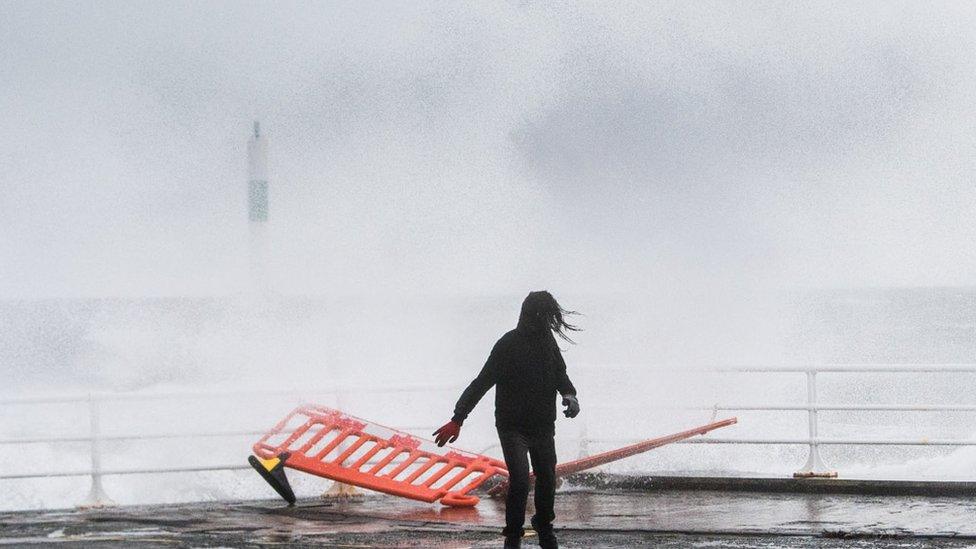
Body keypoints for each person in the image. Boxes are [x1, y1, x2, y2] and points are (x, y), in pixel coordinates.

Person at [433, 291, 581, 549]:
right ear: (530, 315)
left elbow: (561, 375)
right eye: (542, 317)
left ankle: (543, 523)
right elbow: (481, 383)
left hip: (543, 426)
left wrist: (570, 395)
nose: (545, 323)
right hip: (512, 427)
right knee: (521, 478)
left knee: (547, 476)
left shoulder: (548, 343)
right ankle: (513, 533)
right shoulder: (508, 344)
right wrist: (458, 418)